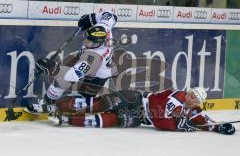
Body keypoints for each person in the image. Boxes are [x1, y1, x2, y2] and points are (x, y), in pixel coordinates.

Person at [24, 11, 118, 115]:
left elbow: (70, 77)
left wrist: (52, 68)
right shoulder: (104, 28)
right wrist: (91, 18)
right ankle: (46, 102)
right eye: (87, 37)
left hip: (98, 75)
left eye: (89, 40)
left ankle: (56, 108)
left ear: (98, 44)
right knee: (61, 80)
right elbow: (111, 15)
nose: (86, 41)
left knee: (80, 96)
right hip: (92, 59)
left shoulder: (93, 58)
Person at [49, 87, 236, 135]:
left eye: (196, 98)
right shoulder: (177, 97)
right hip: (137, 100)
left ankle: (67, 121)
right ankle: (56, 106)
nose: (191, 98)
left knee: (113, 120)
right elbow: (159, 119)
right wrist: (177, 125)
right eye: (192, 94)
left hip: (140, 117)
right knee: (102, 104)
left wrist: (219, 127)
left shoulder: (192, 109)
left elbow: (202, 120)